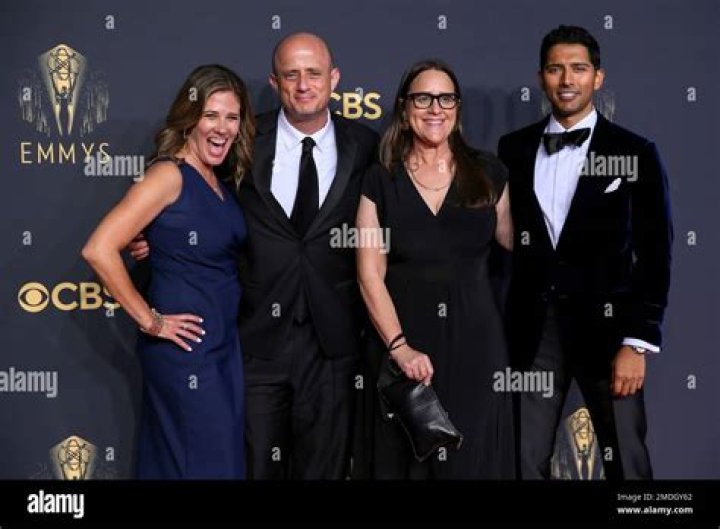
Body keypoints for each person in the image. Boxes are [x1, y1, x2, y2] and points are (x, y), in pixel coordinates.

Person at [131, 33, 379, 479]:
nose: (303, 85)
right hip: (253, 339)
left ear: (335, 78)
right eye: (291, 74)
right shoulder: (241, 138)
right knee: (252, 467)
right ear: (274, 81)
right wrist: (151, 235)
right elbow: (185, 187)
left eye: (314, 73)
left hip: (334, 344)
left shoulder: (366, 146)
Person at [497, 25, 673, 480]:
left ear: (598, 77)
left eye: (578, 68)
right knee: (522, 460)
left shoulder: (634, 151)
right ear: (541, 77)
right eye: (555, 69)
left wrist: (637, 341)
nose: (567, 79)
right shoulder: (513, 149)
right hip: (534, 334)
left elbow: (656, 253)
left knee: (627, 462)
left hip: (609, 334)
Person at [83, 64, 255, 478]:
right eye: (210, 115)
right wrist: (151, 321)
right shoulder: (168, 175)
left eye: (231, 117)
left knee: (200, 463)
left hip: (222, 346)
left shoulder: (215, 178)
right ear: (189, 118)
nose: (222, 128)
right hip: (186, 352)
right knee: (202, 464)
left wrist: (152, 244)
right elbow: (99, 249)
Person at [356, 59, 515, 478]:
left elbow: (523, 243)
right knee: (405, 461)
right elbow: (369, 274)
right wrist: (400, 348)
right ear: (404, 108)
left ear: (457, 108)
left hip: (477, 347)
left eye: (446, 99)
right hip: (404, 344)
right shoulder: (380, 179)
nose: (435, 108)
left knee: (472, 461)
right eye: (423, 98)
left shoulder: (489, 173)